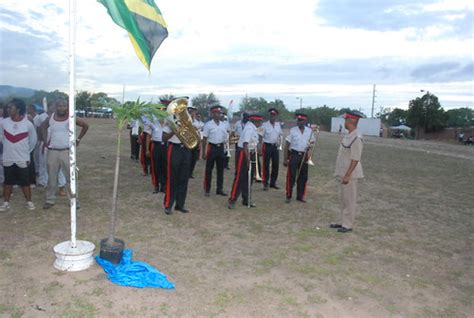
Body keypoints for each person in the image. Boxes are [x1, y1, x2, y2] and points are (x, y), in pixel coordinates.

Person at [41, 99, 89, 209]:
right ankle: (50, 200)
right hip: (53, 151)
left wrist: (78, 139)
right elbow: (42, 127)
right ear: (55, 107)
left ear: (67, 107)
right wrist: (45, 140)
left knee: (70, 178)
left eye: (64, 106)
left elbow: (85, 125)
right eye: (59, 105)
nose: (61, 108)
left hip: (67, 152)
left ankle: (74, 201)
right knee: (52, 178)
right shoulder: (51, 118)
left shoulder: (71, 117)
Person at [330, 110, 365, 233]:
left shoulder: (356, 138)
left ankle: (348, 225)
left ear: (352, 120)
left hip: (349, 175)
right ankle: (343, 221)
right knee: (343, 199)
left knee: (349, 199)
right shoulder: (348, 135)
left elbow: (355, 159)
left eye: (346, 119)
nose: (344, 122)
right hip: (342, 172)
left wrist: (348, 175)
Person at [0, 98, 38, 211]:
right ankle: (6, 202)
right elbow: (1, 137)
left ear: (18, 109)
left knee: (25, 181)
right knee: (8, 181)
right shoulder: (3, 122)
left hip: (22, 157)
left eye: (10, 107)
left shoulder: (28, 124)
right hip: (8, 156)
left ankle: (29, 202)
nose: (8, 109)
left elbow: (33, 140)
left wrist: (26, 154)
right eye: (8, 107)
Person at [162, 97, 192, 215]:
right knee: (172, 178)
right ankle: (168, 204)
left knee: (184, 178)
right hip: (174, 149)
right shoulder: (170, 119)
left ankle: (180, 204)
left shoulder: (188, 119)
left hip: (186, 150)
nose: (182, 109)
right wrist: (174, 131)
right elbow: (163, 138)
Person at [228, 114, 263, 209]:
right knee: (240, 177)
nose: (260, 123)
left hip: (250, 152)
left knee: (249, 178)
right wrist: (247, 159)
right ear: (255, 121)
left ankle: (246, 198)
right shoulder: (249, 128)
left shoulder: (254, 128)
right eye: (259, 121)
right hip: (244, 153)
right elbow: (245, 144)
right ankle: (232, 199)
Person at [283, 113, 315, 204]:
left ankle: (300, 196)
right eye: (298, 120)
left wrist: (310, 147)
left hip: (304, 156)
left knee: (303, 177)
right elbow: (287, 145)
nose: (299, 122)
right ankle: (288, 195)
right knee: (291, 176)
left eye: (301, 120)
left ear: (305, 121)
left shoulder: (309, 131)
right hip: (294, 155)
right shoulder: (293, 130)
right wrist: (285, 159)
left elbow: (312, 143)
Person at [202, 105, 229, 197]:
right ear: (213, 114)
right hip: (212, 147)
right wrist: (203, 152)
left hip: (220, 147)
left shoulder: (223, 124)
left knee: (220, 170)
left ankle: (219, 189)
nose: (218, 115)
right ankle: (207, 189)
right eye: (216, 113)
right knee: (209, 169)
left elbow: (225, 137)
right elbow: (204, 139)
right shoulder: (208, 124)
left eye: (219, 113)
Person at [145, 106, 167, 194]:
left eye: (164, 111)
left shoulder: (169, 122)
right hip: (156, 145)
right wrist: (147, 149)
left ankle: (164, 186)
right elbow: (148, 136)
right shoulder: (152, 122)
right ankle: (156, 186)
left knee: (165, 166)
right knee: (155, 167)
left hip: (166, 146)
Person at [261, 108, 282, 190]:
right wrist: (259, 146)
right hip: (267, 146)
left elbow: (280, 135)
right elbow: (260, 136)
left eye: (274, 115)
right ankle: (265, 183)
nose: (272, 117)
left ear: (276, 116)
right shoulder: (264, 125)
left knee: (275, 165)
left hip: (275, 146)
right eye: (271, 115)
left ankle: (273, 183)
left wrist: (280, 144)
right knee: (266, 165)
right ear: (269, 116)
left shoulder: (278, 125)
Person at [189, 105, 204, 179]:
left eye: (194, 111)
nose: (193, 112)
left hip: (195, 142)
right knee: (187, 158)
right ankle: (186, 172)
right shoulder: (186, 120)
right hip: (188, 142)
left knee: (193, 159)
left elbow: (198, 132)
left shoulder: (197, 122)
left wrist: (199, 143)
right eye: (191, 111)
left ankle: (190, 172)